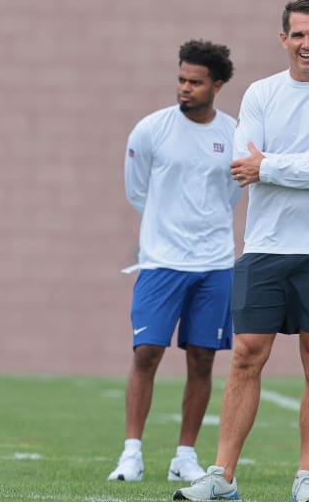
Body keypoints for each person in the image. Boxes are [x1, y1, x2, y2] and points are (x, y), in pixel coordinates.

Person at [174, 0, 309, 502]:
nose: (307, 43)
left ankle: (306, 479)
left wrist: (273, 167)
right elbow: (243, 167)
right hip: (265, 246)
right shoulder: (261, 94)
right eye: (298, 34)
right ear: (283, 39)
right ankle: (222, 477)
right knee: (245, 353)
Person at [107, 39, 239, 484]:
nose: (185, 88)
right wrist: (168, 231)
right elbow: (136, 191)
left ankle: (185, 454)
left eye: (195, 82)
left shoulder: (235, 135)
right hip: (161, 262)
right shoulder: (150, 130)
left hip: (217, 264)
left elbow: (234, 195)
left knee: (202, 358)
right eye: (181, 79)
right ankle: (131, 454)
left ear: (217, 85)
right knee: (146, 352)